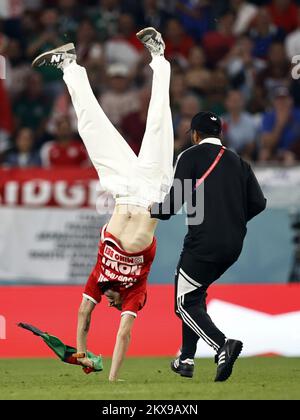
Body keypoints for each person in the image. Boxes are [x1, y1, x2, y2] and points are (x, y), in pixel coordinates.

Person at [32, 27, 174, 382]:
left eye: (107, 305)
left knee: (90, 129)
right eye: (113, 305)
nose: (109, 305)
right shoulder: (134, 292)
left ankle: (69, 66)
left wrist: (81, 355)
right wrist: (112, 378)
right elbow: (124, 334)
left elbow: (83, 317)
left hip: (122, 187)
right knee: (158, 122)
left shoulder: (98, 279)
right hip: (151, 192)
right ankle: (159, 56)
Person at [151, 111, 267, 382]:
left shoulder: (189, 156)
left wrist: (150, 209)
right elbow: (259, 203)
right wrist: (233, 220)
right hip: (234, 244)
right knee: (194, 294)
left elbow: (171, 206)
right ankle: (186, 359)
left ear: (194, 134)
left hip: (204, 241)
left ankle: (221, 345)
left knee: (183, 303)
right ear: (220, 134)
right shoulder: (239, 162)